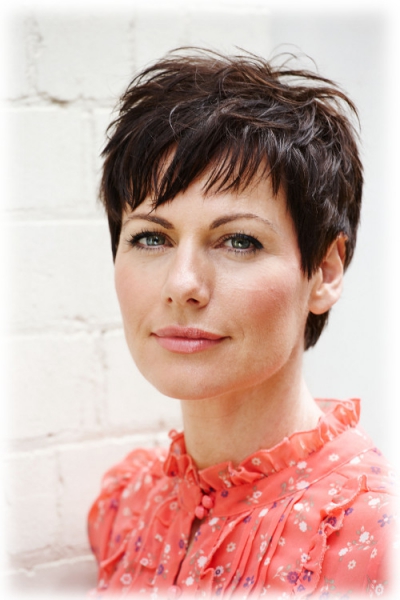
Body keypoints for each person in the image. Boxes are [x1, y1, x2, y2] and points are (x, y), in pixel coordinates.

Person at [87, 49, 398, 598]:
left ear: (324, 271)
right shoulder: (124, 509)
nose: (183, 283)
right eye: (151, 237)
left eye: (239, 241)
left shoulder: (373, 538)